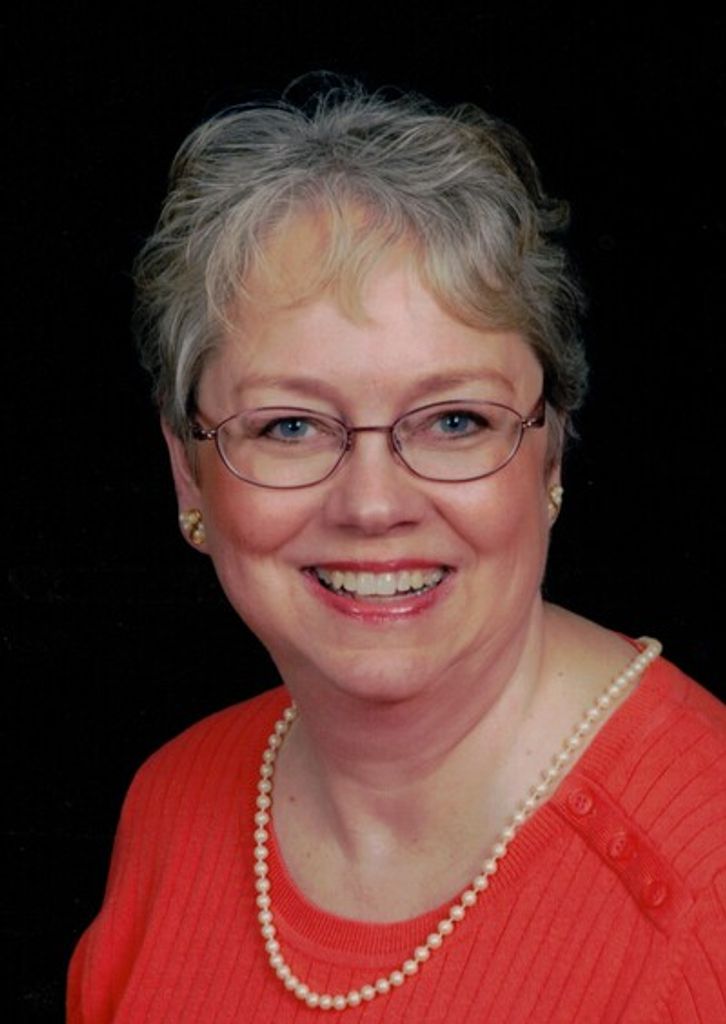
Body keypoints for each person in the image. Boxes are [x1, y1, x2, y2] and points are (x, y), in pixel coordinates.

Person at [68, 83, 726, 1022]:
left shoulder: (705, 888)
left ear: (549, 453)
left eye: (454, 420)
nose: (373, 506)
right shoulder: (170, 806)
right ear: (189, 473)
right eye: (290, 425)